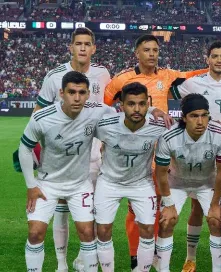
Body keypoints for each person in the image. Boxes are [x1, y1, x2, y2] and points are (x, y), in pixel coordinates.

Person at [103, 34, 221, 270]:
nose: (151, 54)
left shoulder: (167, 76)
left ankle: (157, 255)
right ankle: (135, 255)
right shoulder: (122, 80)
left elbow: (197, 75)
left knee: (157, 209)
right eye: (146, 50)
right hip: (136, 150)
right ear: (136, 53)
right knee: (138, 208)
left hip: (165, 151)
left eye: (155, 50)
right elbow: (104, 109)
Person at [168, 41, 221, 271]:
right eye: (214, 56)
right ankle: (191, 258)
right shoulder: (194, 83)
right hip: (201, 147)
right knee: (197, 207)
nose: (218, 60)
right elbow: (173, 89)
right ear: (207, 59)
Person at [31, 27, 111, 272]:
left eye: (88, 44)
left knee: (92, 214)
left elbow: (107, 115)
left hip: (94, 156)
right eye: (79, 43)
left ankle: (80, 257)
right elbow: (38, 113)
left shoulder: (103, 74)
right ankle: (62, 264)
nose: (83, 48)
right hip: (61, 159)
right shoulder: (55, 76)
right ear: (71, 47)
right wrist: (40, 149)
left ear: (94, 48)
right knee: (62, 212)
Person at [18, 71, 115, 272]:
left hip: (80, 184)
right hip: (47, 185)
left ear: (89, 94)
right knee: (35, 233)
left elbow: (124, 114)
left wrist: (154, 113)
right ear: (62, 93)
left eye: (82, 92)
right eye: (72, 92)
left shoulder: (97, 111)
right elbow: (25, 147)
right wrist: (31, 185)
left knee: (88, 232)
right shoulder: (43, 117)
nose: (77, 97)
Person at [154, 93, 221, 272]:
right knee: (167, 221)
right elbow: (161, 174)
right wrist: (168, 203)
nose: (200, 121)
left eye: (204, 115)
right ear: (183, 117)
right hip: (177, 183)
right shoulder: (169, 137)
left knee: (216, 220)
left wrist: (214, 204)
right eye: (194, 116)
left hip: (206, 182)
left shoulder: (220, 134)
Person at [94, 82, 167, 272]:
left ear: (148, 104)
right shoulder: (105, 125)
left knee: (148, 230)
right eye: (131, 104)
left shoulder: (159, 126)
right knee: (102, 230)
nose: (137, 109)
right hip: (109, 182)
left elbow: (184, 129)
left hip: (141, 183)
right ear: (122, 105)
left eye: (142, 104)